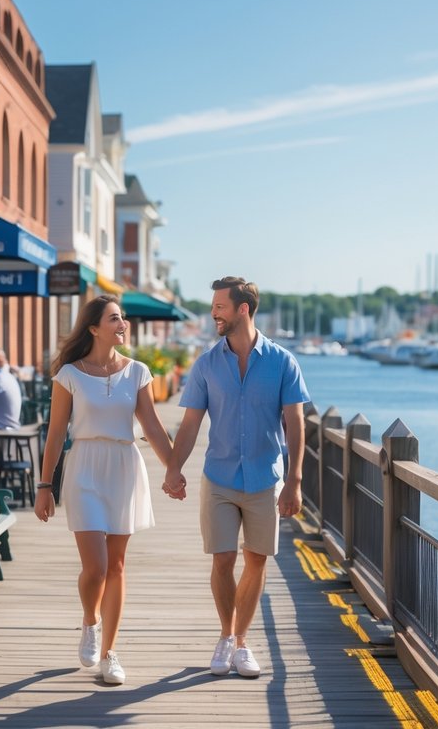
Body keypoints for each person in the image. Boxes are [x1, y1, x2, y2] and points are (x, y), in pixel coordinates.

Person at [163, 276, 310, 679]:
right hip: (220, 477)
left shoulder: (282, 362)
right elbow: (190, 423)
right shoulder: (207, 364)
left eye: (220, 307)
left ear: (243, 309)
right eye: (214, 306)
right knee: (223, 558)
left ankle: (240, 642)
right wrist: (174, 468)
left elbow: (295, 424)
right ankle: (228, 637)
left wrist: (295, 481)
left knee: (256, 560)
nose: (214, 313)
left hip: (265, 478)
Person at [35, 295, 175, 686]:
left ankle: (110, 653)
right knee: (94, 567)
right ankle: (90, 620)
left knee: (116, 566)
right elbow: (56, 432)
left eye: (123, 318)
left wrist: (174, 471)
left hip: (125, 468)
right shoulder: (70, 374)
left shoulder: (138, 372)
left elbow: (152, 427)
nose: (123, 323)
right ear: (94, 328)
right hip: (84, 467)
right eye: (115, 318)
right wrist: (45, 486)